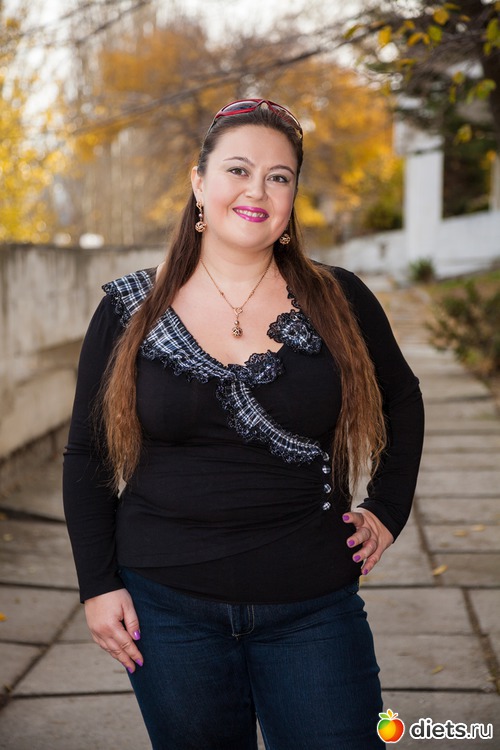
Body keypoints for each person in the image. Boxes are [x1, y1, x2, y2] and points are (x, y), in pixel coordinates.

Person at [63, 98, 424, 750]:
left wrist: (388, 508)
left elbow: (402, 399)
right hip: (165, 610)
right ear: (199, 183)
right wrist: (98, 586)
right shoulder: (129, 310)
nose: (257, 190)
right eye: (238, 169)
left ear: (292, 198)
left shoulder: (339, 299)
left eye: (279, 176)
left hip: (313, 605)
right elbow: (87, 453)